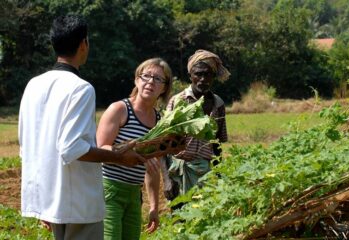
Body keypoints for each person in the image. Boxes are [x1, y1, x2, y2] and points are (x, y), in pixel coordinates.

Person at [18, 14, 145, 240]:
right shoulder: (81, 88)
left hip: (51, 199)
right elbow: (72, 148)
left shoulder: (33, 84)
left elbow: (27, 144)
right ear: (83, 44)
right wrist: (118, 156)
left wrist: (43, 201)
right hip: (78, 203)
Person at [96, 58, 173, 240]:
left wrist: (154, 206)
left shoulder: (159, 122)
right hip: (109, 190)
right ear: (137, 80)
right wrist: (127, 152)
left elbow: (152, 167)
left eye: (158, 79)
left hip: (133, 194)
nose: (150, 82)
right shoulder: (120, 109)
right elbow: (99, 150)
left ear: (164, 88)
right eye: (146, 76)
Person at [161, 49, 229, 203]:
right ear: (190, 75)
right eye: (198, 74)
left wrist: (219, 175)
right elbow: (163, 145)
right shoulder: (178, 101)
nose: (203, 79)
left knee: (204, 220)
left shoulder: (218, 105)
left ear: (213, 76)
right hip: (179, 172)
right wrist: (166, 180)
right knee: (179, 221)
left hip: (205, 173)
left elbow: (217, 145)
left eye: (207, 74)